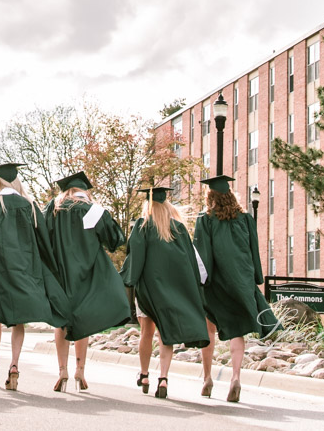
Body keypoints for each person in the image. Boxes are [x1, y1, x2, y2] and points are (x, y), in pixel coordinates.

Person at [0, 162, 67, 391]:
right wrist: (51, 267)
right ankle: (14, 366)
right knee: (19, 319)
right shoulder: (30, 205)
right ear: (16, 181)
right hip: (26, 268)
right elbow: (43, 239)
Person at [40, 171, 130, 392]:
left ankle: (62, 370)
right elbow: (114, 241)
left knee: (62, 320)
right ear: (85, 192)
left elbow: (40, 235)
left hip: (61, 272)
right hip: (87, 273)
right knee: (84, 320)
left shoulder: (54, 208)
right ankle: (80, 369)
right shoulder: (95, 211)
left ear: (67, 191)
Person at [195, 174, 280, 402]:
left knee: (209, 328)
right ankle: (235, 377)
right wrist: (255, 280)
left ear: (210, 196)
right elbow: (254, 250)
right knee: (238, 328)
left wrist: (200, 281)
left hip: (215, 281)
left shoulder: (205, 219)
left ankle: (207, 378)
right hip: (241, 278)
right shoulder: (245, 218)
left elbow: (202, 254)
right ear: (231, 196)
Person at [126, 186, 210, 400]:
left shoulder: (142, 226)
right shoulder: (179, 228)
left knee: (146, 332)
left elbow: (136, 259)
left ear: (148, 205)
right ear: (166, 206)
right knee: (166, 334)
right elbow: (190, 261)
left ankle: (144, 375)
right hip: (171, 291)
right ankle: (163, 378)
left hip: (148, 291)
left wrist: (128, 280)